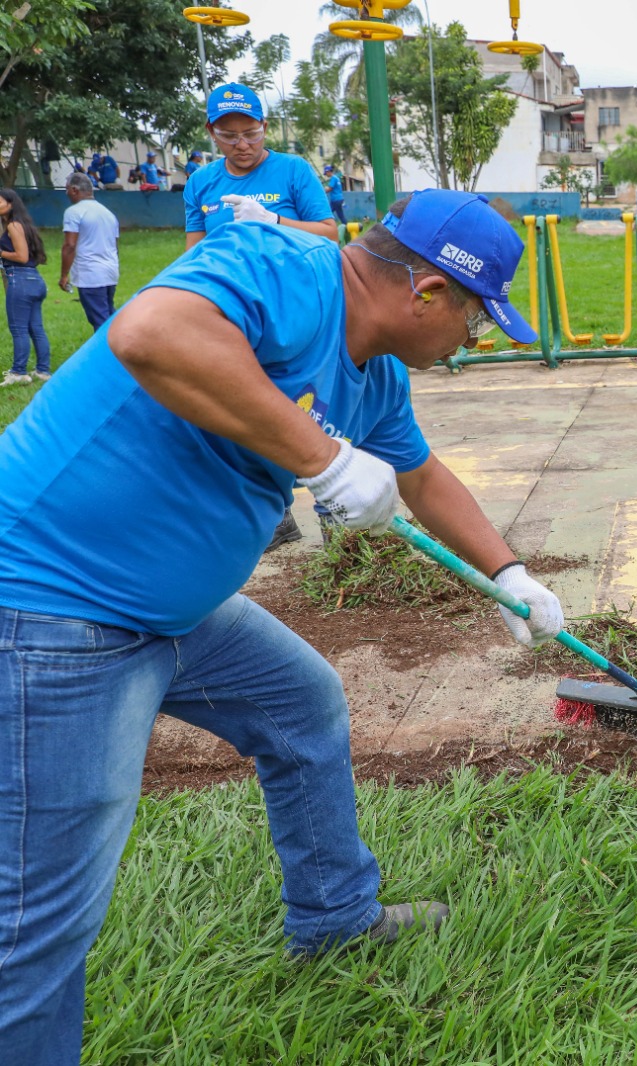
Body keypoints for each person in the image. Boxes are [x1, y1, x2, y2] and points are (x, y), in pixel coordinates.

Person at [0, 189, 557, 1063]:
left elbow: (421, 477)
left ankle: (334, 916)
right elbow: (150, 334)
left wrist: (508, 573)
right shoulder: (288, 272)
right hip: (58, 607)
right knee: (41, 915)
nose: (469, 345)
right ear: (429, 293)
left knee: (300, 703)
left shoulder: (373, 375)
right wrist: (323, 458)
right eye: (478, 324)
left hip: (171, 610)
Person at [187, 81, 340, 550]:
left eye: (250, 133)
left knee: (317, 407)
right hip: (241, 316)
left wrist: (271, 221)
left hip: (300, 309)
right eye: (229, 135)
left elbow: (329, 234)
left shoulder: (292, 171)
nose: (242, 144)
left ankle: (335, 509)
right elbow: (192, 256)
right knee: (246, 408)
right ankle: (276, 517)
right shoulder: (202, 183)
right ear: (212, 132)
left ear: (264, 127)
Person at [0, 188, 51, 386]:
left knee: (19, 329)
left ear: (10, 203)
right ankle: (42, 370)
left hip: (19, 280)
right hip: (35, 281)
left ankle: (19, 372)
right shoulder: (24, 225)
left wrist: (1, 253)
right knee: (35, 328)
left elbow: (21, 257)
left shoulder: (13, 225)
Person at [59, 172, 121, 330]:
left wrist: (64, 275)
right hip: (110, 272)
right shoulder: (108, 213)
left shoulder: (74, 212)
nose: (66, 193)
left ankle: (107, 354)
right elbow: (115, 245)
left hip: (91, 274)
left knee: (100, 322)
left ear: (74, 190)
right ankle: (118, 350)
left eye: (66, 189)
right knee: (108, 317)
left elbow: (70, 245)